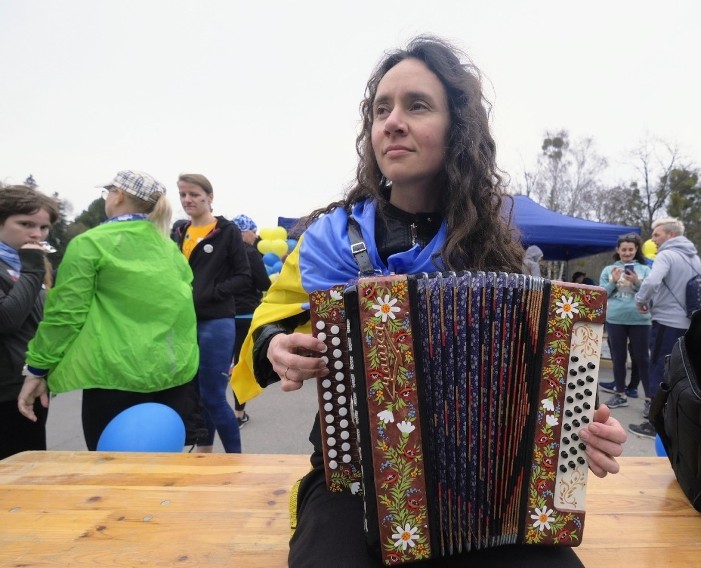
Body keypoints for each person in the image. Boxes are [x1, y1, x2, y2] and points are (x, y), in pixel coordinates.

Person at [231, 36, 626, 567]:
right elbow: (266, 326)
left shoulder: (493, 248)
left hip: (483, 487)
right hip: (355, 481)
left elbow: (545, 386)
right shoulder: (328, 238)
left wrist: (588, 432)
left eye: (416, 105)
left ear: (456, 130)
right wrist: (276, 345)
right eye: (380, 109)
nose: (392, 121)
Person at [17, 171, 201, 450]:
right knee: (164, 476)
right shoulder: (169, 248)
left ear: (119, 195)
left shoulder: (90, 243)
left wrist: (38, 367)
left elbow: (66, 314)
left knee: (110, 475)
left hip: (114, 376)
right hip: (172, 376)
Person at [173, 174, 251, 453]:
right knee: (196, 395)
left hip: (216, 322)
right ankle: (204, 452)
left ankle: (234, 458)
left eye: (194, 194)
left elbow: (244, 276)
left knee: (214, 396)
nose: (187, 200)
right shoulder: (179, 232)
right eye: (182, 194)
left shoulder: (226, 230)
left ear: (210, 197)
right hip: (184, 323)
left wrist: (209, 292)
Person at [629, 218, 701, 439]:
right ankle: (676, 421)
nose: (653, 239)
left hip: (666, 321)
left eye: (656, 235)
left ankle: (655, 424)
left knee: (659, 367)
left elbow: (652, 281)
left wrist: (641, 300)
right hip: (690, 322)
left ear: (670, 235)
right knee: (680, 369)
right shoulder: (696, 259)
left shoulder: (667, 254)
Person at [0, 186, 59, 459]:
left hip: (28, 386)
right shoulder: (30, 265)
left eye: (43, 227)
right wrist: (33, 267)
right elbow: (7, 320)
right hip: (4, 392)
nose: (36, 234)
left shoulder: (26, 265)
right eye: (25, 224)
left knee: (30, 473)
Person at [597, 233, 651, 409]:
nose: (627, 253)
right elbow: (601, 294)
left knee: (642, 359)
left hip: (640, 319)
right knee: (618, 358)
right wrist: (613, 281)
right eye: (624, 249)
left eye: (631, 249)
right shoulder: (608, 270)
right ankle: (620, 394)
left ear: (636, 250)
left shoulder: (645, 270)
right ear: (617, 250)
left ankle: (650, 400)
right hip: (615, 319)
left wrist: (636, 282)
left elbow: (651, 293)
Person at [230, 214, 271, 427]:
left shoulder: (223, 252)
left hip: (222, 314)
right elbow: (264, 282)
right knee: (240, 365)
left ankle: (215, 413)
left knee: (217, 367)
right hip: (246, 314)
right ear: (243, 232)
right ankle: (238, 414)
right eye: (252, 232)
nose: (255, 236)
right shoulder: (251, 254)